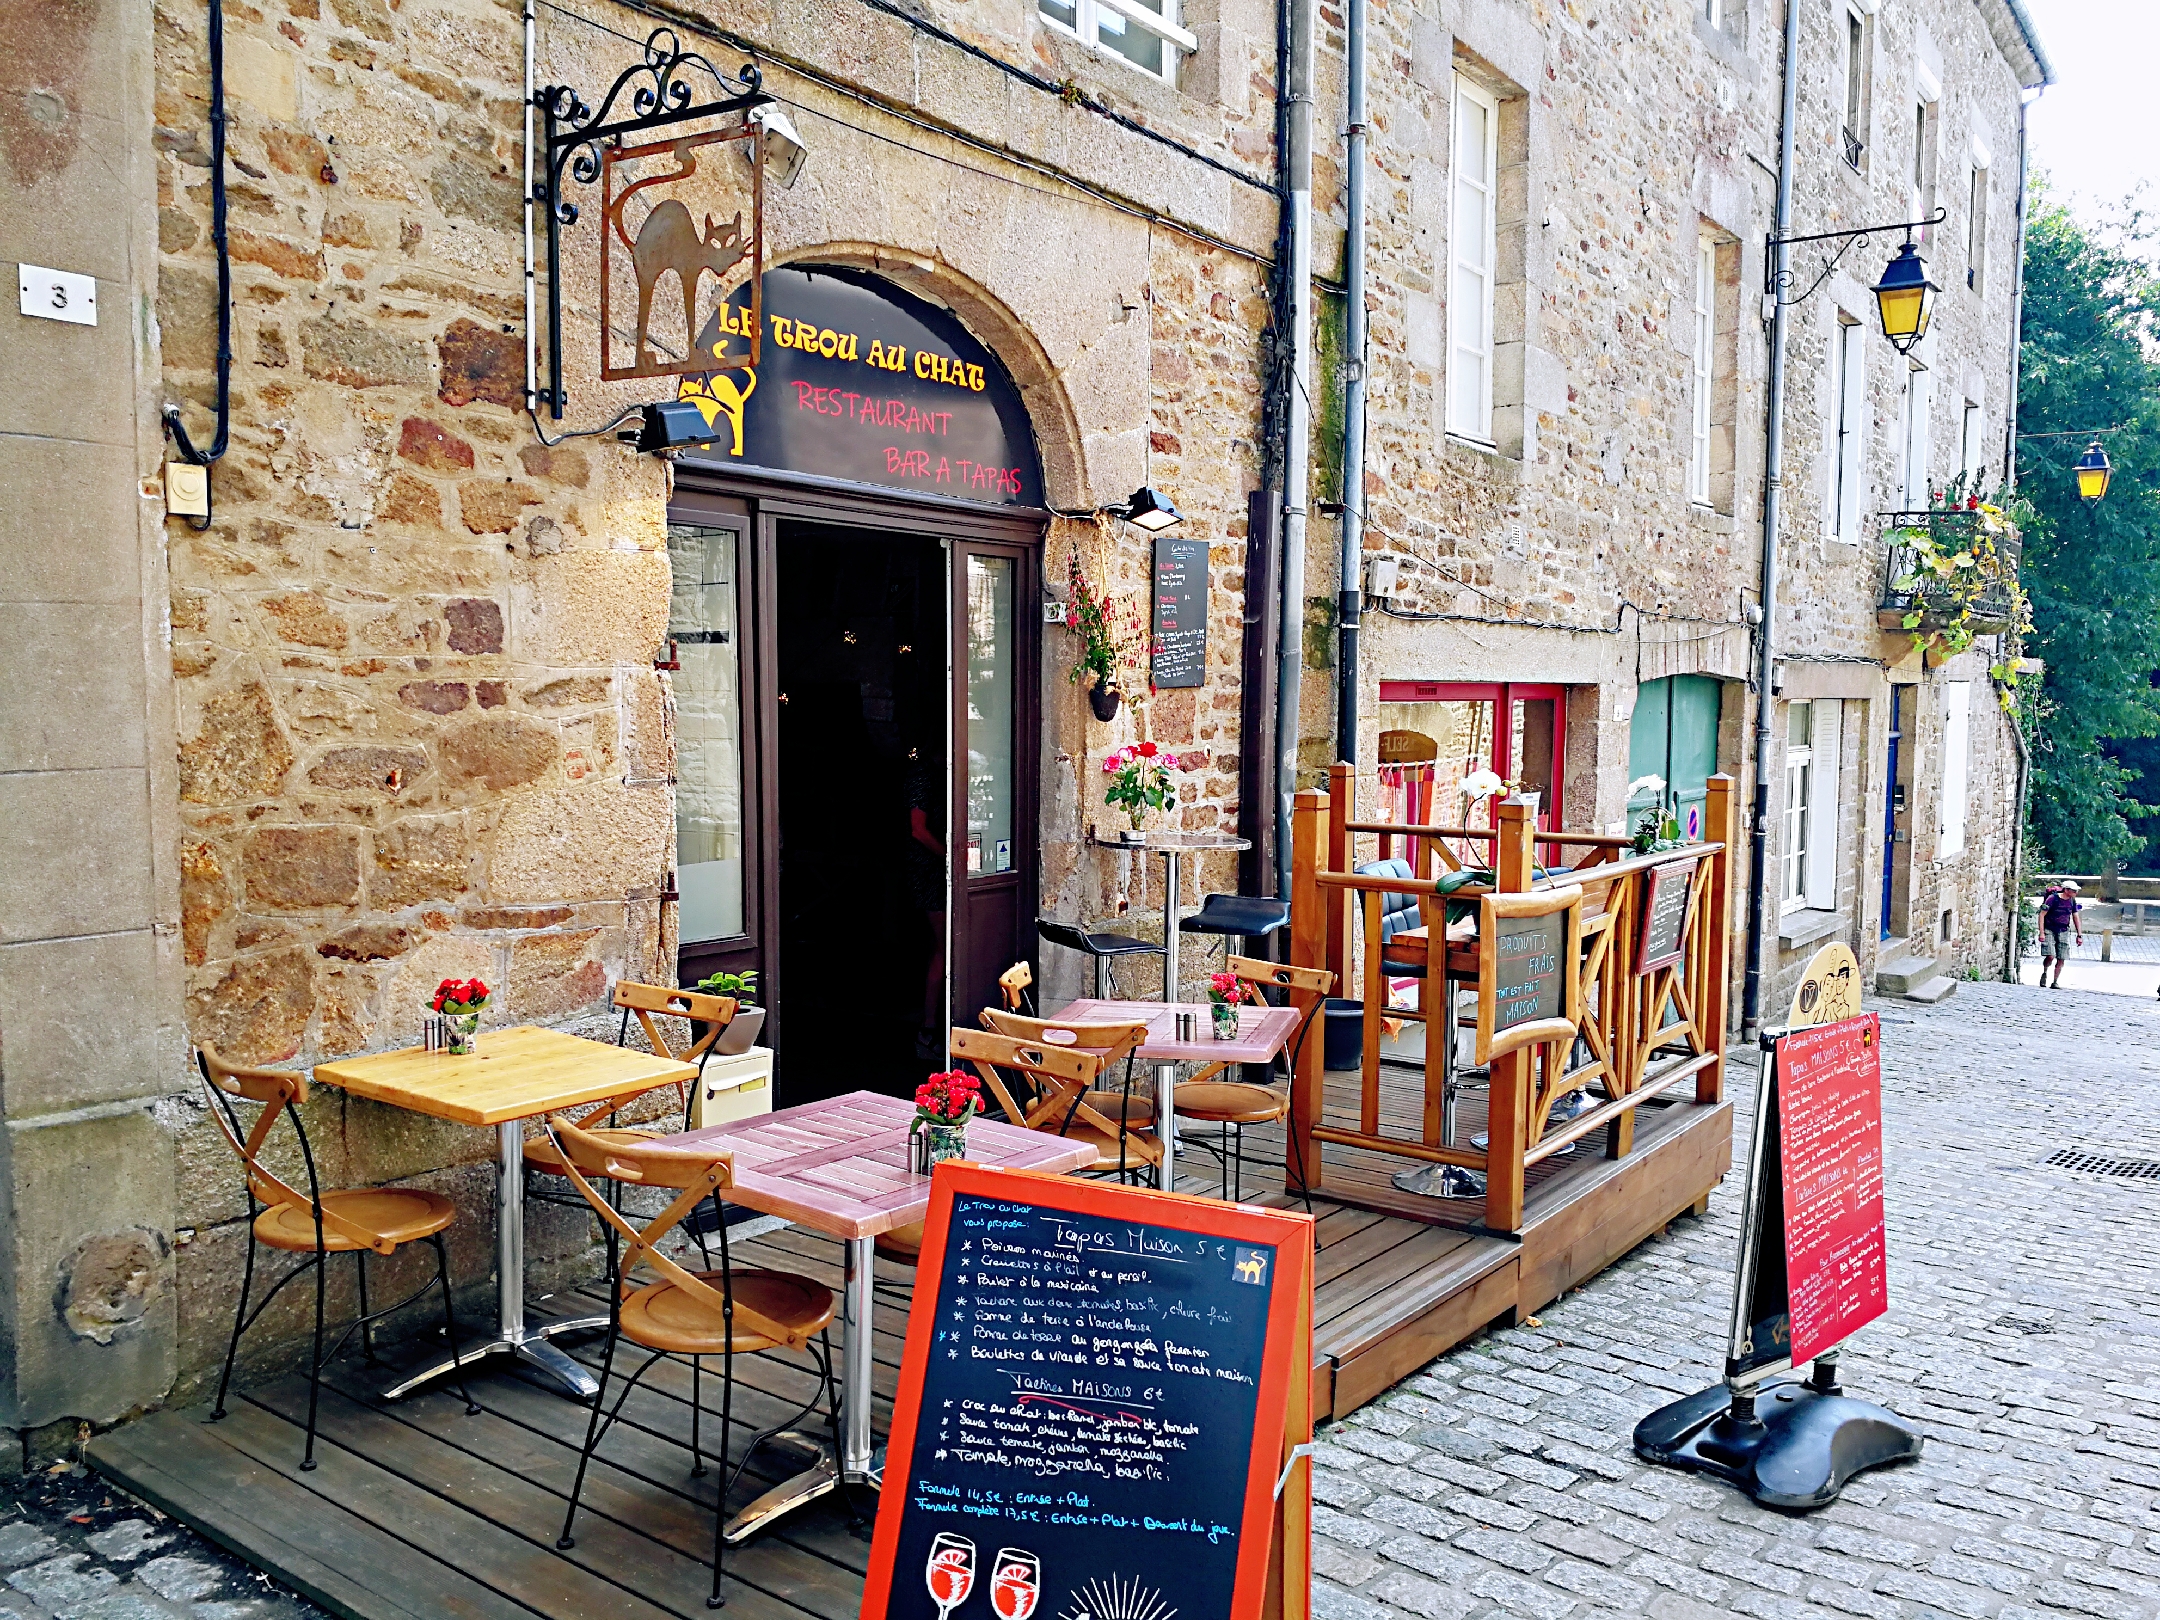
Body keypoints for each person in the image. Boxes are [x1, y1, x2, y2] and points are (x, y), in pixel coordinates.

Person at [2039, 879, 2082, 987]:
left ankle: (2055, 981)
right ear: (2066, 890)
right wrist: (2042, 932)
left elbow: (2075, 917)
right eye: (2074, 891)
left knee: (2061, 957)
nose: (2076, 893)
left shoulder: (2072, 901)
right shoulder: (2052, 899)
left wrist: (2079, 935)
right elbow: (2042, 915)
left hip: (2063, 930)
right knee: (2050, 956)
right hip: (2049, 929)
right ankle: (2045, 971)